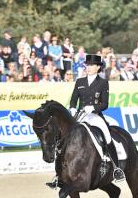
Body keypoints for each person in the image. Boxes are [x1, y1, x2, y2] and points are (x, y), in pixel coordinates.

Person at [46, 54, 125, 189]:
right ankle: (59, 175)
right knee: (64, 137)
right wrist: (71, 108)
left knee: (106, 135)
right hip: (80, 115)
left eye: (91, 65)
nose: (88, 68)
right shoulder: (80, 82)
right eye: (87, 65)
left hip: (95, 116)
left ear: (97, 67)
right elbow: (73, 99)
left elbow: (105, 103)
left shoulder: (103, 82)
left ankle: (116, 167)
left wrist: (93, 108)